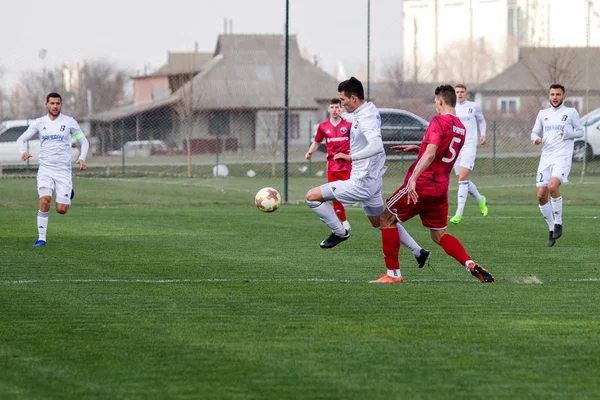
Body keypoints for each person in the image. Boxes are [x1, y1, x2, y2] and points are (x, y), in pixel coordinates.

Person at [373, 84, 494, 284]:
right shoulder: (461, 128)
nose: (435, 106)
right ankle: (469, 263)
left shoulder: (438, 120)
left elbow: (431, 153)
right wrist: (418, 148)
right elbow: (441, 151)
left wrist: (412, 179)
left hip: (422, 184)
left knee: (386, 219)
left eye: (435, 102)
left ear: (440, 101)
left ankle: (393, 274)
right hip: (440, 189)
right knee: (439, 234)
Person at [306, 77, 430, 267]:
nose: (342, 103)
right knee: (381, 222)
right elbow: (355, 120)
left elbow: (377, 145)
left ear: (353, 98)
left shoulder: (367, 117)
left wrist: (350, 157)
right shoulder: (366, 110)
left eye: (344, 100)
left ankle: (340, 232)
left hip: (361, 182)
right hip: (371, 181)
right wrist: (342, 115)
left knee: (312, 197)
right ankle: (418, 251)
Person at [17, 92, 89, 247]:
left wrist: (82, 158)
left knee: (61, 209)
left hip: (63, 171)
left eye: (58, 103)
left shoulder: (69, 123)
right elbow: (21, 139)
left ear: (61, 105)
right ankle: (41, 238)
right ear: (46, 105)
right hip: (45, 169)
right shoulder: (40, 122)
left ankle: (68, 193)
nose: (55, 106)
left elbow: (83, 141)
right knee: (45, 200)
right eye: (52, 103)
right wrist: (22, 151)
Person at [531, 84, 583, 247]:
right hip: (546, 158)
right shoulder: (543, 114)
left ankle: (558, 222)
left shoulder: (571, 113)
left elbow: (581, 131)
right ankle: (551, 228)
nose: (555, 97)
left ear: (564, 96)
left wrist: (569, 134)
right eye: (552, 94)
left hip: (562, 157)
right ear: (549, 96)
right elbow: (534, 132)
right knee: (541, 194)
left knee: (552, 186)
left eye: (558, 94)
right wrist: (535, 139)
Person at [306, 98, 353, 231]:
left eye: (337, 107)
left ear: (341, 109)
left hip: (349, 166)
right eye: (332, 107)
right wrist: (310, 152)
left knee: (353, 191)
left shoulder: (348, 125)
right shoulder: (323, 126)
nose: (334, 110)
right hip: (332, 167)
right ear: (328, 109)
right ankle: (343, 221)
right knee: (335, 194)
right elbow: (316, 142)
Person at [449, 84, 488, 224]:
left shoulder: (474, 106)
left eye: (462, 92)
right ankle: (480, 199)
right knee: (462, 179)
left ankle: (458, 214)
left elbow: (481, 120)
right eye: (457, 92)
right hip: (455, 147)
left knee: (463, 177)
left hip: (469, 146)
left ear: (466, 93)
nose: (459, 94)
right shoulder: (451, 108)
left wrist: (483, 135)